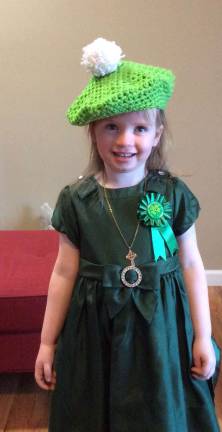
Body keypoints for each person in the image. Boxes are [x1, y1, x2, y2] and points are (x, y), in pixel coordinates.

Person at [35, 38, 221, 431]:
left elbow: (190, 263)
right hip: (95, 331)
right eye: (112, 127)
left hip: (162, 330)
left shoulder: (172, 195)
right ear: (94, 133)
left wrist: (203, 336)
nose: (125, 141)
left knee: (160, 408)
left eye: (139, 128)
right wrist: (47, 343)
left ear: (156, 135)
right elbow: (64, 273)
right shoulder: (76, 200)